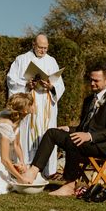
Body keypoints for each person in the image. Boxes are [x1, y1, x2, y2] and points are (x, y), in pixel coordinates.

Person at [23, 64, 106, 196]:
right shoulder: (89, 100)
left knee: (74, 140)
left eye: (96, 81)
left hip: (100, 145)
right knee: (52, 132)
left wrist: (89, 136)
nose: (92, 83)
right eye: (91, 80)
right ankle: (33, 172)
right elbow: (83, 127)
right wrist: (69, 128)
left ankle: (70, 185)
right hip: (85, 142)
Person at [7, 34, 65, 177]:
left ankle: (47, 171)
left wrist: (51, 86)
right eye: (40, 47)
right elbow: (11, 80)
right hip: (30, 102)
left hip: (46, 104)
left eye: (45, 48)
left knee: (47, 133)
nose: (43, 50)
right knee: (27, 134)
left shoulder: (52, 61)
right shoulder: (21, 59)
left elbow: (60, 85)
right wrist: (26, 84)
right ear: (34, 44)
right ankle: (25, 166)